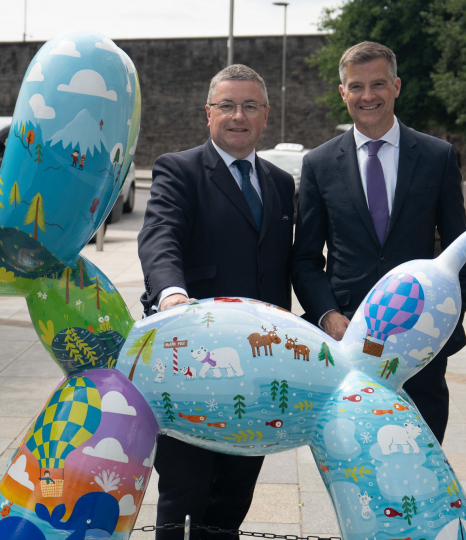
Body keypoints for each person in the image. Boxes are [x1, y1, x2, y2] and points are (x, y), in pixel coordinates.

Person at [138, 64, 295, 540]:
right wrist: (172, 294)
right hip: (192, 365)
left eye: (250, 105)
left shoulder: (281, 184)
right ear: (208, 113)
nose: (238, 116)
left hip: (259, 374)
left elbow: (291, 265)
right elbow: (159, 237)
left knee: (233, 497)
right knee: (184, 496)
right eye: (227, 105)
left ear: (266, 116)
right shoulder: (179, 169)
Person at [291, 42, 466, 444]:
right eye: (356, 86)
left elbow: (460, 253)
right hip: (348, 347)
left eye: (378, 84)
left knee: (424, 453)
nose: (367, 95)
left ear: (396, 86)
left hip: (421, 347)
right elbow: (305, 258)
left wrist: (442, 326)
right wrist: (327, 315)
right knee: (352, 460)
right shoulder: (319, 164)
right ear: (343, 93)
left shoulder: (436, 156)